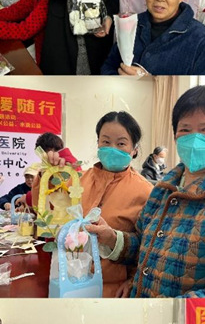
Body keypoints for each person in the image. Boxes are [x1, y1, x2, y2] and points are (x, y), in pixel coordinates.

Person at [87, 86, 205, 298]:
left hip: (177, 315)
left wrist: (166, 310)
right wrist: (111, 238)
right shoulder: (163, 189)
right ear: (175, 136)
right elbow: (143, 245)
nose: (195, 138)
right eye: (185, 130)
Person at [37, 111, 152, 297]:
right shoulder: (78, 179)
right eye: (106, 141)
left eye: (121, 143)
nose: (112, 148)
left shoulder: (146, 192)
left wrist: (134, 280)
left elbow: (149, 246)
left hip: (112, 289)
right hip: (69, 282)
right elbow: (45, 211)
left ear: (135, 149)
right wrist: (49, 175)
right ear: (98, 143)